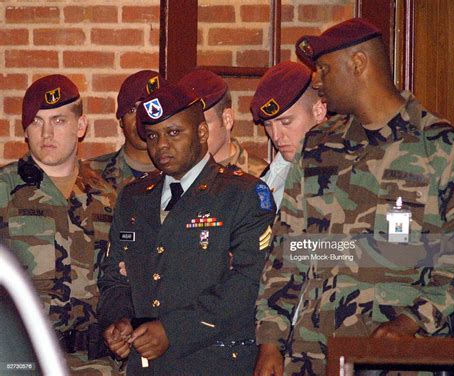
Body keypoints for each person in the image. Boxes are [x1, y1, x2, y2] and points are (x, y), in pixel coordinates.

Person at [254, 18, 454, 375]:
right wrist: (270, 341)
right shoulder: (319, 145)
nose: (317, 81)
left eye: (324, 69)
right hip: (312, 356)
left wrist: (410, 322)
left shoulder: (443, 149)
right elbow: (289, 250)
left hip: (397, 358)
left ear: (358, 64)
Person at [98, 81, 276, 375]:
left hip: (213, 362)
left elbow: (246, 284)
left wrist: (172, 330)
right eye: (153, 136)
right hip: (146, 365)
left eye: (174, 132)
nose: (161, 145)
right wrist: (118, 321)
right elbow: (114, 278)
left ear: (202, 132)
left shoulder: (242, 194)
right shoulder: (133, 197)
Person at [0, 75, 119, 374]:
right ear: (25, 130)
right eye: (37, 122)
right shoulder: (4, 188)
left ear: (81, 126)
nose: (47, 133)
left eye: (59, 120)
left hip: (96, 360)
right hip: (22, 359)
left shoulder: (107, 195)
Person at [250, 61, 328, 210]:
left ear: (318, 111)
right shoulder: (271, 176)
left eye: (286, 122)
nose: (276, 136)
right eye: (268, 125)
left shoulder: (347, 169)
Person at [179, 69, 268, 178]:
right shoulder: (174, 176)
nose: (196, 135)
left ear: (227, 119)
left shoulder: (261, 176)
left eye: (203, 125)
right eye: (187, 127)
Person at [89, 70, 162, 191]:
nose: (141, 119)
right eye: (132, 110)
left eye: (152, 108)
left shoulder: (184, 176)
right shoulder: (91, 175)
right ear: (121, 120)